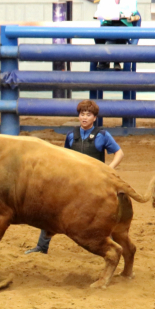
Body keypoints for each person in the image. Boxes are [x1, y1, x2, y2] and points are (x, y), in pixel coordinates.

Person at [25, 100, 124, 255]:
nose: (84, 117)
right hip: (72, 184)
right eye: (82, 114)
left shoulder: (103, 135)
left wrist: (108, 169)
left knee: (101, 216)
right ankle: (42, 246)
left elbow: (119, 153)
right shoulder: (71, 135)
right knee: (51, 210)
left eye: (88, 115)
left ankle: (112, 248)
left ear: (94, 118)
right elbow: (64, 157)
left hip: (94, 184)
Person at [93, 0, 139, 70]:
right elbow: (101, 7)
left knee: (117, 35)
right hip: (108, 21)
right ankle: (104, 60)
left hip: (123, 22)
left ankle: (115, 60)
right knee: (98, 35)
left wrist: (123, 12)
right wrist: (99, 13)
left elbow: (133, 10)